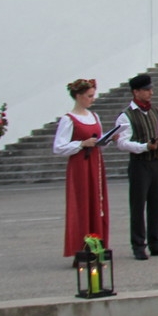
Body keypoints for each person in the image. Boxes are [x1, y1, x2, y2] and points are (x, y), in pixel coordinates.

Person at [115, 73, 158, 260]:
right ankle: (138, 244)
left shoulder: (154, 111)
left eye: (150, 89)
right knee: (138, 205)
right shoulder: (126, 116)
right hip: (140, 164)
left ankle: (156, 241)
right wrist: (143, 147)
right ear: (136, 92)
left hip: (157, 161)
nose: (151, 92)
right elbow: (122, 143)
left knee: (156, 203)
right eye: (146, 90)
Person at [52, 78, 110, 259]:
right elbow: (58, 147)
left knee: (97, 202)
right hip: (80, 166)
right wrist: (81, 143)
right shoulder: (68, 119)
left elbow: (99, 140)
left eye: (93, 95)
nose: (92, 99)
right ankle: (82, 248)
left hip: (95, 162)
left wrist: (106, 139)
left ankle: (97, 246)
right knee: (82, 204)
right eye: (89, 96)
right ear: (78, 96)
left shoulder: (94, 116)